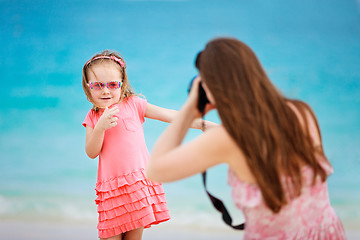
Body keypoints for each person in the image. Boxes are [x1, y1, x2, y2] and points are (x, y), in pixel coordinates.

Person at [146, 38, 346, 239]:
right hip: (327, 232)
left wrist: (191, 107)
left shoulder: (230, 138)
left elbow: (155, 169)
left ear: (212, 87)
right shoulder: (302, 113)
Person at [81, 50, 211, 240]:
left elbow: (172, 116)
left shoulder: (134, 105)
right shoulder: (93, 117)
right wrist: (100, 127)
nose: (106, 90)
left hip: (138, 186)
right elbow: (91, 152)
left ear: (122, 84)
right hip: (111, 191)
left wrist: (203, 125)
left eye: (112, 84)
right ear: (88, 87)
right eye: (98, 85)